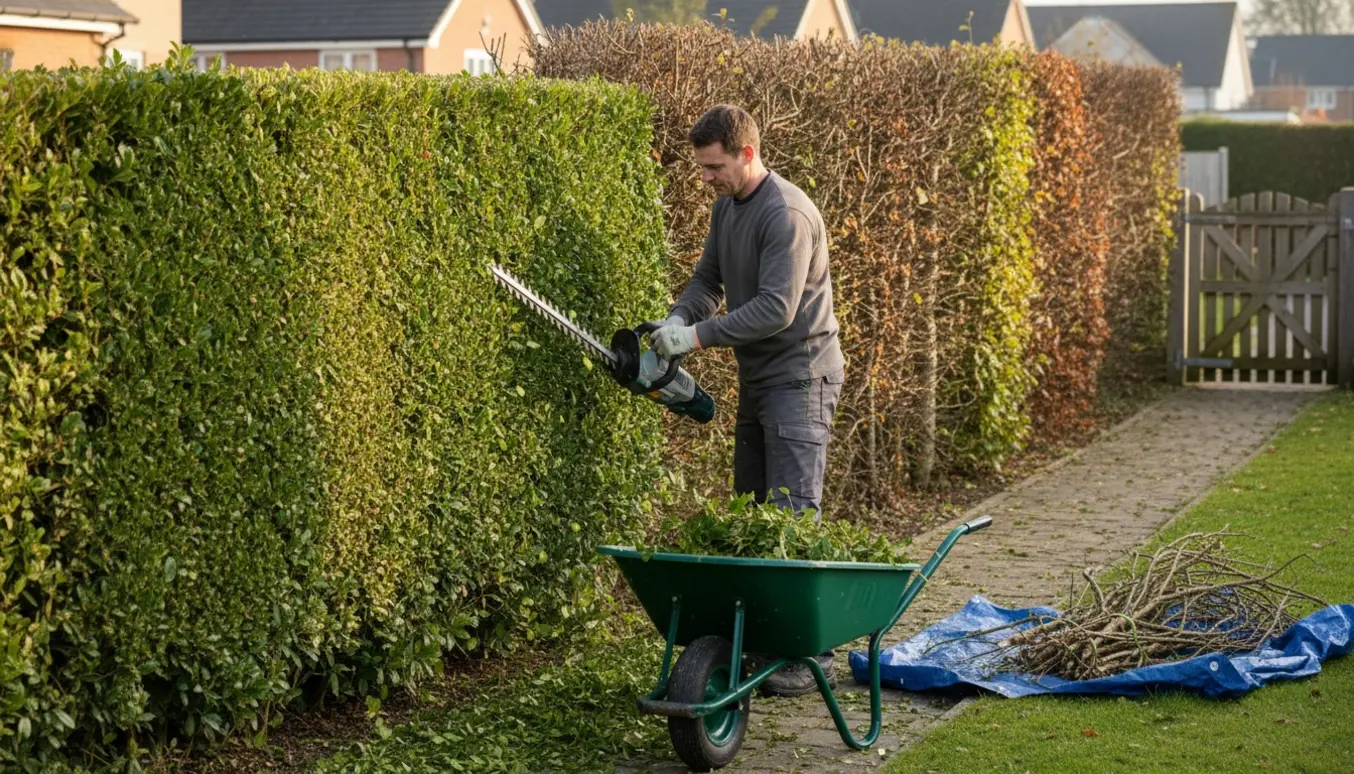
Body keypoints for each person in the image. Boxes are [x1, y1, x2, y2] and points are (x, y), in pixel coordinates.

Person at [647, 104, 847, 697]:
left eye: (713, 167)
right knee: (753, 512)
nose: (705, 178)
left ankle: (813, 656)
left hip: (801, 377)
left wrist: (698, 337)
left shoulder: (784, 214)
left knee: (792, 515)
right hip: (761, 380)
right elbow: (709, 281)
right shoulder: (725, 208)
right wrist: (677, 318)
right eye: (702, 168)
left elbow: (775, 309)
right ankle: (767, 639)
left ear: (747, 154)